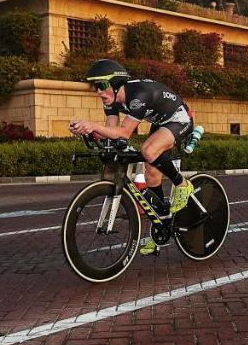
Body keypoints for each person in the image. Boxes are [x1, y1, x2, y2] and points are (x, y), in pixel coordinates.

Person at [69, 59, 201, 255]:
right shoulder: (111, 100)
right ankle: (161, 226)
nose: (97, 91)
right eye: (95, 87)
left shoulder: (138, 95)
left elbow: (123, 132)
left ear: (115, 85)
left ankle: (182, 184)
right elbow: (112, 131)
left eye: (101, 86)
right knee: (151, 174)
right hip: (161, 121)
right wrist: (89, 131)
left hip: (179, 118)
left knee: (148, 151)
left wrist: (94, 125)